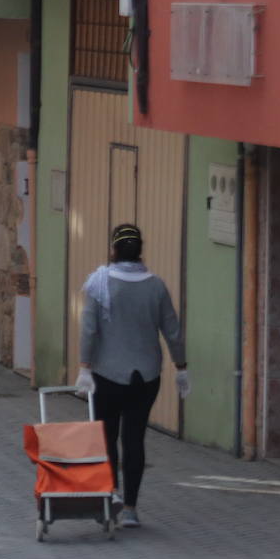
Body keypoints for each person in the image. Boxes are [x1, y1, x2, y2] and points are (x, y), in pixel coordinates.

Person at [76, 223, 188, 529]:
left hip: (106, 375)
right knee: (134, 438)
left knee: (107, 436)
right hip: (146, 375)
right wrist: (182, 367)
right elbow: (173, 331)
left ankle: (109, 493)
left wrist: (84, 367)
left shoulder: (99, 284)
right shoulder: (156, 286)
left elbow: (89, 329)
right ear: (140, 251)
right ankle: (131, 508)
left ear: (113, 250)